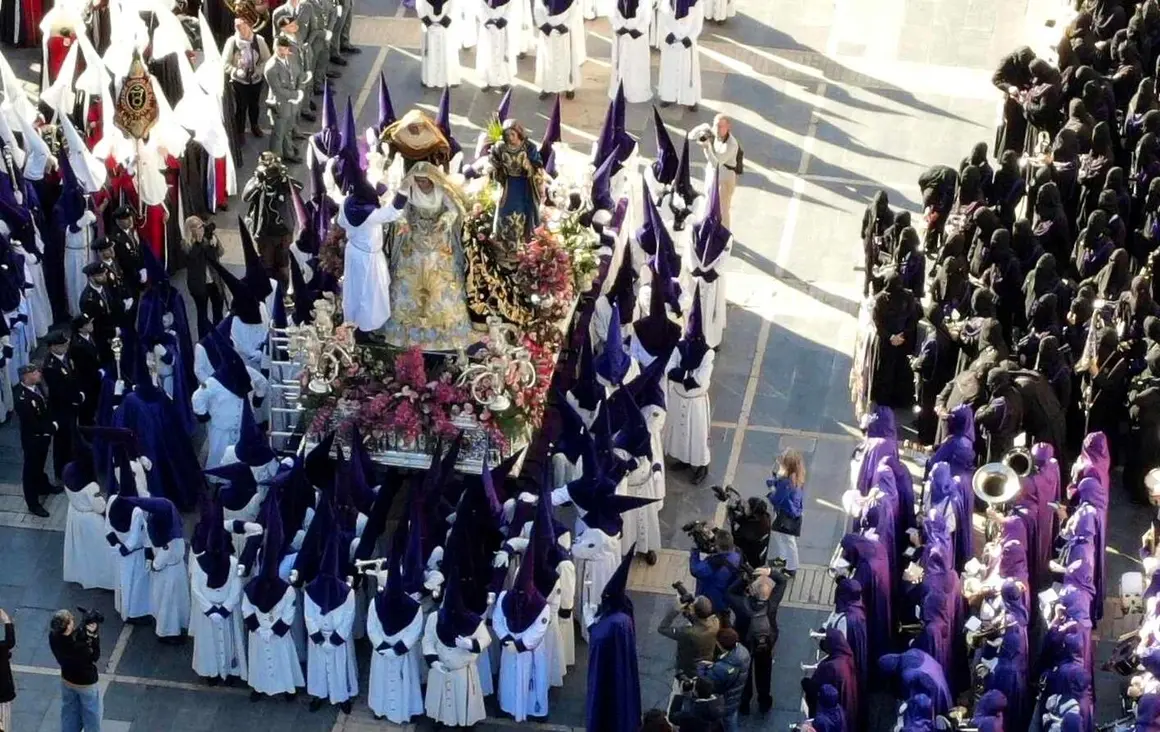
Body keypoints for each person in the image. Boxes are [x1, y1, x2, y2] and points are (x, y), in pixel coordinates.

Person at [383, 163, 475, 350]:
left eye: (424, 180)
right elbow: (398, 210)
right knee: (408, 280)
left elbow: (454, 210)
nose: (421, 184)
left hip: (438, 239)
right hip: (413, 239)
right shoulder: (409, 189)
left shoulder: (441, 190)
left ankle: (444, 329)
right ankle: (405, 331)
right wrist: (402, 222)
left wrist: (445, 220)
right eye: (418, 180)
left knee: (441, 282)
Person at [586, 548, 642, 732]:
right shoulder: (625, 610)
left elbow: (599, 638)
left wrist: (590, 624)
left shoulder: (615, 622)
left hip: (610, 668)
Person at [725, 573, 780, 715]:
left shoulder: (742, 605)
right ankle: (764, 701)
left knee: (745, 672)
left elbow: (730, 592)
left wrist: (743, 579)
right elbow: (782, 581)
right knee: (764, 671)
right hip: (766, 644)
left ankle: (745, 702)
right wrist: (770, 571)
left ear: (752, 591)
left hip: (745, 643)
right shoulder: (771, 604)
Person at [14, 363, 59, 517]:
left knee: (40, 465)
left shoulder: (36, 388)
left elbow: (44, 407)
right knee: (31, 470)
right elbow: (32, 423)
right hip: (33, 440)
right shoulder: (22, 398)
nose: (39, 373)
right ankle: (33, 503)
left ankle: (43, 486)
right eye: (35, 372)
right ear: (26, 376)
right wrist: (51, 428)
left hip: (42, 438)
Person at [49, 608, 102, 732]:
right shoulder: (80, 647)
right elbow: (95, 656)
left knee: (69, 711)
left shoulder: (53, 636)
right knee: (91, 714)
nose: (74, 621)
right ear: (68, 628)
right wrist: (94, 636)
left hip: (67, 679)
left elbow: (72, 637)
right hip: (86, 683)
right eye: (71, 620)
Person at [223, 19, 271, 149]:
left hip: (255, 80)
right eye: (238, 27)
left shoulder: (259, 40)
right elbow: (224, 63)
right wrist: (235, 70)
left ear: (250, 26)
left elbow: (267, 59)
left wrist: (259, 71)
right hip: (239, 82)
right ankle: (240, 131)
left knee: (254, 105)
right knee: (241, 107)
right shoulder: (232, 42)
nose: (242, 30)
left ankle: (255, 125)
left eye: (244, 26)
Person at [42, 330, 83, 483]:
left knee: (71, 437)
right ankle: (62, 472)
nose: (65, 347)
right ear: (52, 347)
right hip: (61, 408)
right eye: (61, 345)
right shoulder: (51, 366)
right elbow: (59, 390)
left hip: (70, 405)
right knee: (62, 442)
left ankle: (71, 465)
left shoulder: (65, 357)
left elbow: (72, 376)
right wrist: (74, 398)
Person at [690, 115, 741, 229]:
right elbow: (691, 136)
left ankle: (724, 236)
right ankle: (705, 227)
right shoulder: (714, 133)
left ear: (728, 127)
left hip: (725, 177)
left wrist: (707, 147)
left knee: (723, 208)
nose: (717, 129)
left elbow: (716, 162)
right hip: (712, 174)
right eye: (716, 125)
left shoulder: (731, 144)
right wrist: (701, 128)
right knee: (708, 199)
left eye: (720, 126)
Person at [182, 217, 225, 341]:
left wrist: (215, 243)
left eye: (202, 226)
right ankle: (204, 341)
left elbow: (220, 253)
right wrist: (199, 242)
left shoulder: (209, 238)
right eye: (199, 227)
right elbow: (191, 258)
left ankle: (220, 337)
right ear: (192, 230)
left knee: (218, 311)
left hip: (214, 280)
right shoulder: (186, 244)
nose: (203, 229)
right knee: (202, 314)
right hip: (199, 285)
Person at [698, 628, 749, 732]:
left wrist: (701, 668)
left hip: (725, 700)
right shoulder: (743, 651)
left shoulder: (721, 669)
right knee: (731, 718)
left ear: (720, 645)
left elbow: (706, 682)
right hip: (735, 695)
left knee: (728, 723)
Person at [265, 34, 306, 164]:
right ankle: (275, 162)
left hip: (292, 104)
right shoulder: (271, 68)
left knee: (288, 130)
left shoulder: (291, 59)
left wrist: (300, 89)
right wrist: (296, 95)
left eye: (285, 48)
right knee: (278, 135)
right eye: (280, 49)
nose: (283, 52)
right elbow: (278, 90)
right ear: (275, 48)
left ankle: (288, 153)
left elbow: (299, 74)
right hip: (280, 104)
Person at [658, 595, 720, 679]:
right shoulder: (715, 622)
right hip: (706, 663)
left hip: (688, 669)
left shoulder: (687, 633)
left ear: (693, 612)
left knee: (686, 687)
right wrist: (691, 611)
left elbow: (662, 628)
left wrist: (675, 610)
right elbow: (700, 621)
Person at [657, 0, 703, 110]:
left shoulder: (697, 2)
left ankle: (690, 99)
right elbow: (662, 21)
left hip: (687, 46)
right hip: (670, 45)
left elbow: (697, 26)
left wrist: (686, 41)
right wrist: (670, 37)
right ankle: (668, 96)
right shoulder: (666, 2)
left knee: (687, 72)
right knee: (669, 70)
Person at [533, 0, 583, 100]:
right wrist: (545, 27)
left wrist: (565, 25)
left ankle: (569, 87)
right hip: (548, 32)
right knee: (547, 60)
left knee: (567, 60)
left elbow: (574, 10)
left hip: (564, 32)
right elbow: (537, 9)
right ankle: (547, 87)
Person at [766, 448, 805, 574]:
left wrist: (771, 490)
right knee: (779, 534)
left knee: (788, 540)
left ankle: (791, 568)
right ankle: (783, 558)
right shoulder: (796, 475)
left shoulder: (786, 482)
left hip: (786, 515)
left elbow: (776, 499)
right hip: (793, 512)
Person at [609, 0, 651, 103]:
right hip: (621, 36)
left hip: (637, 38)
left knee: (636, 64)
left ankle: (636, 92)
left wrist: (637, 30)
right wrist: (619, 27)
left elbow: (647, 16)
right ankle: (620, 92)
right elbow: (611, 12)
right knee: (621, 64)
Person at [476, 0, 519, 91]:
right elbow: (479, 6)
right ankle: (490, 81)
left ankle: (504, 82)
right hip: (487, 29)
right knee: (488, 54)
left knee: (503, 55)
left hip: (502, 27)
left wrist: (503, 20)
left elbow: (511, 7)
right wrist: (487, 21)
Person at [417, 0, 461, 87]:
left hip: (446, 27)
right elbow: (419, 5)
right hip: (429, 25)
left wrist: (445, 22)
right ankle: (429, 79)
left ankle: (450, 78)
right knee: (430, 52)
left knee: (448, 51)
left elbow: (454, 5)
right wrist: (428, 22)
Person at [0, 609, 12, 732]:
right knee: (5, 723)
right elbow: (10, 642)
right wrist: (7, 621)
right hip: (2, 693)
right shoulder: (1, 648)